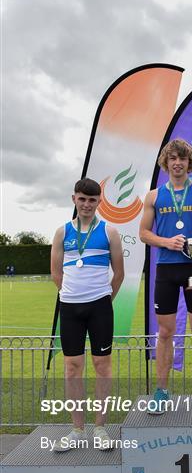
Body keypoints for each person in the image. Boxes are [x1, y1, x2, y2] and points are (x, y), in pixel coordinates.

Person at [139, 138, 192, 413]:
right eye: (172, 158)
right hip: (167, 270)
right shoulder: (153, 196)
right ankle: (161, 392)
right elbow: (143, 233)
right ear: (166, 163)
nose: (177, 163)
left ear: (189, 162)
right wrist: (165, 242)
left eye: (182, 158)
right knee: (164, 332)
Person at [51, 178, 124, 450]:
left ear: (99, 202)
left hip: (100, 307)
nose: (86, 204)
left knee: (102, 366)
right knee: (72, 368)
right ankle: (77, 430)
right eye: (82, 199)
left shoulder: (110, 232)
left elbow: (119, 274)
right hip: (70, 307)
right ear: (74, 199)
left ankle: (100, 428)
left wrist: (103, 298)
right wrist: (73, 294)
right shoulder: (62, 233)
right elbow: (56, 272)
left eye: (92, 200)